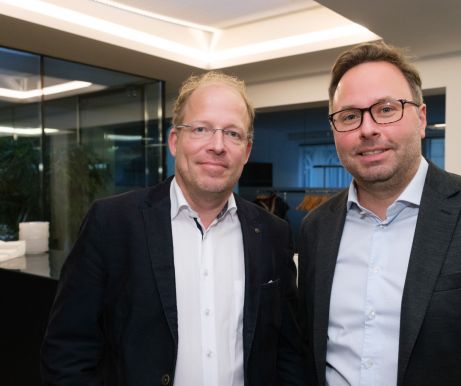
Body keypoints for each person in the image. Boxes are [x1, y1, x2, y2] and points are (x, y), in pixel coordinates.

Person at [297, 41, 461, 386]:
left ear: (421, 118)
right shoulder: (316, 229)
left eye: (386, 109)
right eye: (349, 116)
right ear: (335, 131)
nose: (368, 129)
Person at [41, 71, 304, 386]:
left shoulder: (273, 234)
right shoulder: (112, 223)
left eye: (233, 134)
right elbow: (67, 352)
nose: (217, 146)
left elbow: (289, 353)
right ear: (175, 141)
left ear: (246, 151)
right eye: (201, 129)